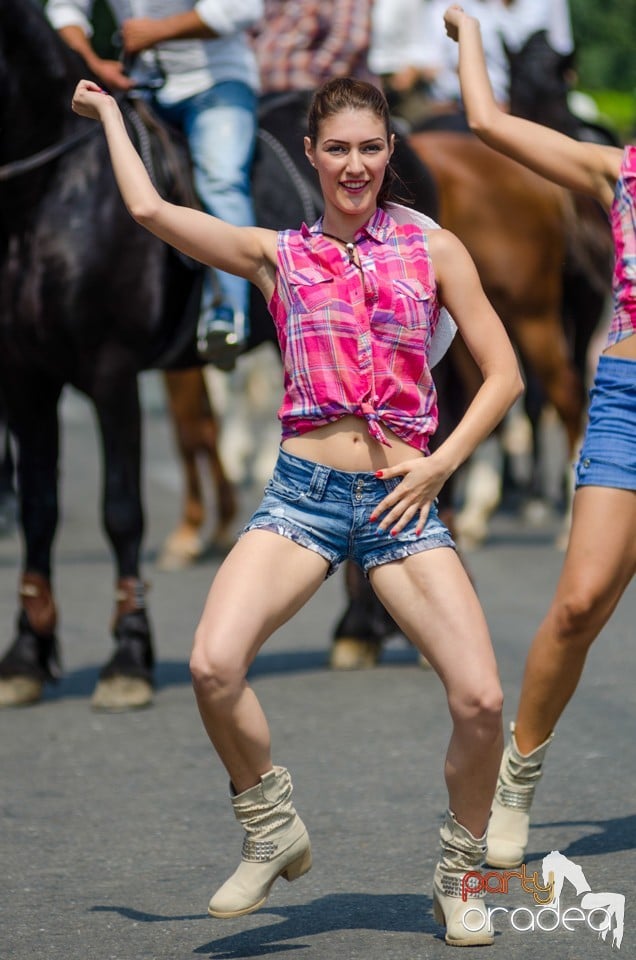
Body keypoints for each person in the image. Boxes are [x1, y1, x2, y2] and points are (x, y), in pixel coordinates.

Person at [71, 72, 522, 943]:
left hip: (402, 500)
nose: (355, 165)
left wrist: (440, 465)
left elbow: (503, 375)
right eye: (338, 149)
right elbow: (154, 214)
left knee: (479, 699)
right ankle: (271, 826)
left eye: (371, 148)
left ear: (390, 153)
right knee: (211, 664)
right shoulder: (278, 254)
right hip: (305, 499)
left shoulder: (436, 252)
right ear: (311, 157)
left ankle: (460, 874)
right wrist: (114, 119)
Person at [444, 4, 636, 870]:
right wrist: (472, 34)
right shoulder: (616, 168)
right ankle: (517, 781)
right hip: (628, 399)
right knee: (578, 603)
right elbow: (487, 122)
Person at [47, 0, 263, 371]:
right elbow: (65, 9)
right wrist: (92, 61)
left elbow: (244, 8)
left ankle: (228, 314)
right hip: (139, 85)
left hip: (217, 82)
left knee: (221, 180)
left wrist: (159, 31)